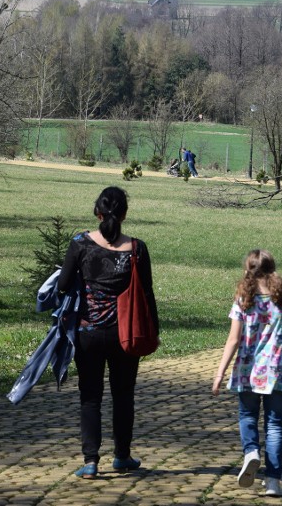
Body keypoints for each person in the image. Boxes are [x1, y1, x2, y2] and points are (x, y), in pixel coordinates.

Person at [58, 186, 159, 479]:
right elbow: (147, 294)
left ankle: (90, 461)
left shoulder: (80, 243)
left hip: (88, 333)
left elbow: (63, 285)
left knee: (90, 397)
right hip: (126, 334)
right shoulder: (137, 249)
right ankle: (122, 456)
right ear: (125, 214)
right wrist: (154, 330)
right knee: (123, 395)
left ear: (97, 211)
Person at [211, 249, 282, 497]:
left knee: (247, 416)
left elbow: (233, 340)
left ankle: (251, 452)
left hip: (247, 370)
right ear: (273, 269)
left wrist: (219, 374)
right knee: (275, 425)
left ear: (248, 271)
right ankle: (273, 481)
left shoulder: (243, 299)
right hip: (278, 371)